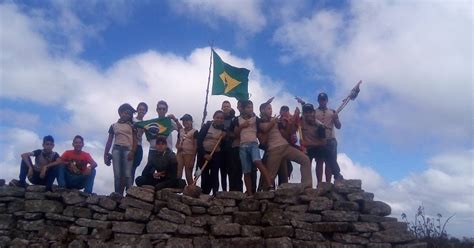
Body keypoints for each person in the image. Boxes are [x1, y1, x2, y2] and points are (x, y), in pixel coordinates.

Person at [259, 102, 313, 189]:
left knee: (305, 159)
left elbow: (287, 133)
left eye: (271, 108)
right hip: (273, 150)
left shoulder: (277, 120)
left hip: (285, 146)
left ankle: (307, 186)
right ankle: (264, 195)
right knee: (270, 176)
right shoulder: (259, 121)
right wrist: (273, 122)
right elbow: (264, 131)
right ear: (262, 110)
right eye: (268, 108)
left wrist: (293, 118)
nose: (271, 110)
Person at [296, 93, 344, 181]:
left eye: (324, 99)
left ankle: (329, 182)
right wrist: (302, 104)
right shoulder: (314, 112)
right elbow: (306, 114)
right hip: (317, 141)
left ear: (326, 100)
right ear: (318, 101)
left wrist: (336, 118)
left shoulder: (332, 112)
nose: (322, 101)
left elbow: (338, 126)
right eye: (321, 100)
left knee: (329, 161)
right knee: (320, 161)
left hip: (329, 139)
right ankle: (318, 183)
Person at [233, 100, 272, 195]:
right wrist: (242, 126)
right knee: (246, 171)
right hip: (242, 146)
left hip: (253, 144)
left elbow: (263, 120)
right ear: (243, 108)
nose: (251, 109)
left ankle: (270, 185)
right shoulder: (237, 119)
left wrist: (266, 103)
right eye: (248, 107)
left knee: (257, 162)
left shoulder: (256, 118)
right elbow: (235, 133)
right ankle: (250, 194)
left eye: (252, 107)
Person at [104, 103, 137, 194]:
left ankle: (130, 195)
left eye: (128, 114)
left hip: (128, 150)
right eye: (124, 113)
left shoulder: (133, 126)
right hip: (116, 149)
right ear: (120, 113)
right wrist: (105, 154)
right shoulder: (113, 125)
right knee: (117, 174)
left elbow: (135, 140)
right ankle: (117, 196)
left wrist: (133, 152)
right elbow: (109, 141)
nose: (126, 115)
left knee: (127, 174)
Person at [300, 103, 330, 185]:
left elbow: (324, 143)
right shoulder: (300, 121)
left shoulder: (320, 126)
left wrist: (308, 143)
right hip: (306, 148)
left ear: (314, 112)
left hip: (317, 147)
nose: (308, 114)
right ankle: (306, 184)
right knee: (304, 160)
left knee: (321, 157)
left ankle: (319, 183)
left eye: (310, 112)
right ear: (303, 113)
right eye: (306, 112)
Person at [197, 111, 225, 195]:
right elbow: (199, 140)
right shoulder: (207, 126)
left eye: (221, 118)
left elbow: (224, 145)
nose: (219, 119)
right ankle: (204, 194)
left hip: (216, 154)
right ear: (214, 117)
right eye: (217, 117)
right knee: (204, 175)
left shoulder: (223, 130)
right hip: (204, 153)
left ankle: (215, 194)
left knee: (214, 175)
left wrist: (224, 137)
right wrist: (204, 154)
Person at [176, 114, 198, 185]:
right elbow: (177, 143)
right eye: (184, 121)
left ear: (191, 121)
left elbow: (195, 146)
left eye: (187, 120)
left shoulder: (195, 131)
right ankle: (177, 188)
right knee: (178, 172)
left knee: (188, 173)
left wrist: (193, 159)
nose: (185, 122)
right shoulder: (180, 131)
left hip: (189, 154)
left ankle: (192, 190)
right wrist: (178, 146)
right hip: (180, 153)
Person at [220, 100, 235, 191]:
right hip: (220, 148)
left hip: (231, 147)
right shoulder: (219, 119)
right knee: (222, 171)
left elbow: (236, 133)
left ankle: (232, 190)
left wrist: (227, 133)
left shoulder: (234, 119)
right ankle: (224, 190)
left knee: (232, 170)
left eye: (227, 106)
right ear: (222, 108)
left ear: (230, 108)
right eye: (224, 106)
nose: (226, 108)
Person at [132, 102, 148, 182]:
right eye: (140, 109)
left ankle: (129, 189)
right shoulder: (132, 119)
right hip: (130, 145)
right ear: (137, 110)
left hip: (139, 145)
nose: (141, 111)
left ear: (146, 112)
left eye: (143, 110)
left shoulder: (145, 124)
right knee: (127, 168)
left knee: (133, 168)